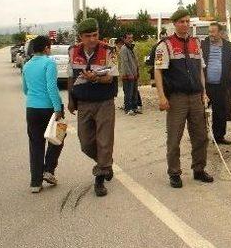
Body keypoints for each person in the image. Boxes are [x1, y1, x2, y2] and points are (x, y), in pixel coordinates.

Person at [154, 9, 214, 188]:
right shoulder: (165, 45)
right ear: (175, 23)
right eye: (182, 22)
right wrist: (161, 97)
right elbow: (158, 71)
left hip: (196, 97)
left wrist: (204, 92)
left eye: (188, 21)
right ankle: (174, 173)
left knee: (201, 137)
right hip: (176, 99)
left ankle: (199, 169)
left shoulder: (197, 43)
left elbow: (201, 70)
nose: (186, 25)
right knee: (174, 138)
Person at [67, 18, 119, 197]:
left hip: (104, 102)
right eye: (87, 36)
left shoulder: (109, 51)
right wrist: (70, 99)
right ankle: (106, 163)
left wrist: (95, 78)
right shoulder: (73, 51)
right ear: (80, 36)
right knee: (86, 142)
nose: (92, 39)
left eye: (95, 35)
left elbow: (111, 77)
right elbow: (71, 77)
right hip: (83, 102)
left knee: (104, 140)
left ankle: (100, 177)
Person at [22, 35, 65, 193]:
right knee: (58, 137)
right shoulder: (49, 63)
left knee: (35, 144)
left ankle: (35, 182)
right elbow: (52, 88)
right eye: (50, 46)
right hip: (48, 109)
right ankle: (49, 170)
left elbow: (25, 90)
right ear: (46, 48)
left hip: (31, 109)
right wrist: (58, 108)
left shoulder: (26, 65)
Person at [201, 23, 231, 145]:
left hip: (221, 85)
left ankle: (218, 137)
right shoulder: (203, 45)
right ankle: (200, 137)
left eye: (213, 32)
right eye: (209, 32)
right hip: (204, 86)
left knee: (220, 112)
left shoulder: (228, 47)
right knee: (200, 112)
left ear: (221, 33)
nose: (210, 34)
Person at [119, 32, 142, 115]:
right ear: (124, 39)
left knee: (134, 92)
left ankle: (134, 108)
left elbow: (135, 61)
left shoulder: (131, 48)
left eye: (131, 38)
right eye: (128, 38)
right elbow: (125, 63)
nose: (131, 39)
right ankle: (128, 109)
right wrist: (129, 74)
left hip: (134, 75)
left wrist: (137, 72)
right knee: (128, 93)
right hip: (128, 76)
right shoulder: (124, 49)